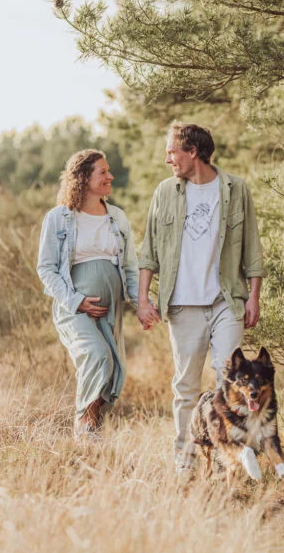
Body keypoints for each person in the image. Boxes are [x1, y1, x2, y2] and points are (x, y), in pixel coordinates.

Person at [137, 122, 265, 472]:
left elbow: (252, 248)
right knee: (186, 387)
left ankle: (229, 460)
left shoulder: (236, 189)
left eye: (172, 152)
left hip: (227, 301)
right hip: (183, 306)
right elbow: (149, 250)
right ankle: (186, 462)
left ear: (192, 152)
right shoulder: (165, 192)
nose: (167, 160)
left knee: (231, 382)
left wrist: (254, 297)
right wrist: (143, 299)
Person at [37, 149, 142, 439]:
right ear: (83, 177)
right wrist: (76, 301)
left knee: (113, 368)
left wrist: (142, 304)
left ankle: (91, 432)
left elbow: (130, 267)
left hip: (110, 308)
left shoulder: (117, 217)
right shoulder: (59, 218)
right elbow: (46, 268)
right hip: (74, 306)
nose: (110, 176)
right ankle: (83, 425)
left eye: (109, 171)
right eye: (103, 172)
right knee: (97, 356)